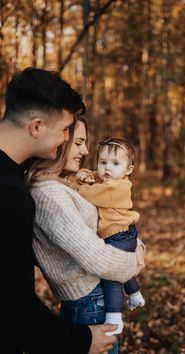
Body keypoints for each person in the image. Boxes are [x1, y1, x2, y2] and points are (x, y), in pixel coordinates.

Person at [0, 67, 144, 354]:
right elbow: (14, 305)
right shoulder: (18, 194)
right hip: (85, 305)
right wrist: (137, 258)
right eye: (67, 132)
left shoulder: (18, 181)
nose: (70, 142)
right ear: (37, 126)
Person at [26, 109, 145, 351]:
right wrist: (137, 259)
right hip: (87, 303)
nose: (86, 151)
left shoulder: (59, 185)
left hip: (89, 300)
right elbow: (97, 258)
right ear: (60, 140)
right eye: (78, 142)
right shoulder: (49, 193)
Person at [71, 138, 145, 336]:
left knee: (112, 276)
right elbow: (93, 177)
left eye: (115, 163)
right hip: (122, 233)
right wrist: (85, 175)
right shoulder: (109, 180)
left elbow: (89, 194)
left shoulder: (117, 187)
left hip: (119, 236)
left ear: (128, 170)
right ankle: (135, 294)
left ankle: (114, 317)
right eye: (102, 162)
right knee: (123, 269)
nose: (107, 168)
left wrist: (76, 185)